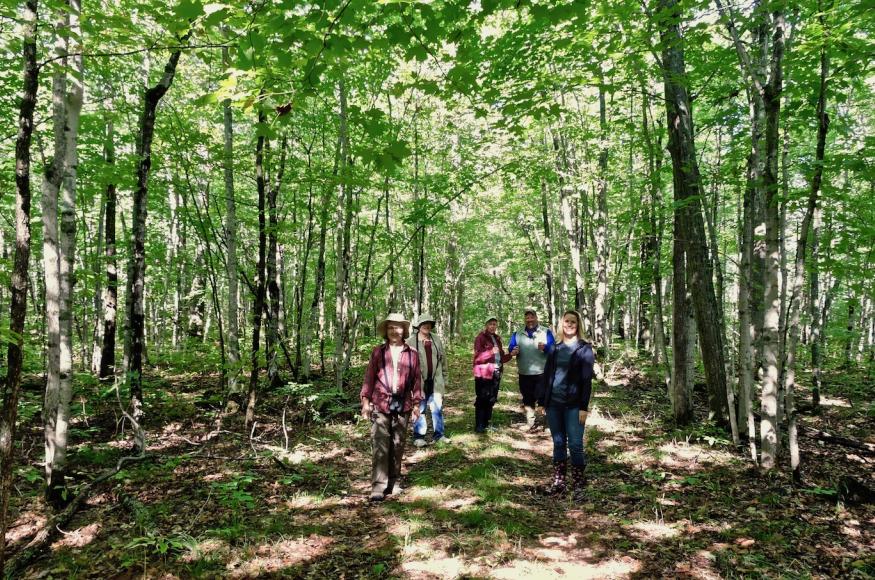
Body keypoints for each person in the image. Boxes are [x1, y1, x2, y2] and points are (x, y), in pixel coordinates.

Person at [360, 313, 422, 502]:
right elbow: (369, 378)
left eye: (398, 327)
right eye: (390, 327)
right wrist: (365, 402)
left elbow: (417, 380)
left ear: (404, 330)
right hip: (380, 403)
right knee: (380, 444)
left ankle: (393, 482)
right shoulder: (378, 352)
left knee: (397, 444)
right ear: (386, 331)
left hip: (403, 404)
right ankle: (378, 486)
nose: (394, 331)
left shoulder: (412, 354)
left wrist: (417, 403)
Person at [538, 309, 595, 498]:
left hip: (574, 405)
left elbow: (587, 380)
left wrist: (584, 407)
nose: (569, 324)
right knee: (558, 443)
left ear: (578, 325)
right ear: (561, 324)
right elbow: (547, 375)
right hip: (554, 403)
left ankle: (579, 484)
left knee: (576, 444)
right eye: (566, 321)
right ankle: (559, 482)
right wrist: (542, 401)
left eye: (573, 322)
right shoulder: (555, 347)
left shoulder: (584, 348)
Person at [407, 313, 451, 447]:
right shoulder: (410, 341)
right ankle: (419, 436)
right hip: (418, 382)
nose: (426, 326)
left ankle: (439, 435)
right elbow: (406, 365)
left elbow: (443, 360)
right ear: (419, 326)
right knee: (419, 409)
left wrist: (445, 378)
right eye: (424, 323)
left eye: (429, 324)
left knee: (437, 408)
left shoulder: (436, 339)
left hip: (436, 380)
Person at [508, 308, 555, 430]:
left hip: (542, 372)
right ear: (525, 319)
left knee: (544, 398)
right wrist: (513, 350)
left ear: (536, 318)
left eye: (532, 317)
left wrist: (545, 347)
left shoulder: (546, 332)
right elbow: (511, 347)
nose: (530, 320)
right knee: (527, 398)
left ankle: (548, 424)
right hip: (524, 372)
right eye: (527, 317)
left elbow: (554, 349)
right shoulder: (517, 333)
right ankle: (530, 423)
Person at [472, 315, 512, 433]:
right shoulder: (480, 338)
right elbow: (477, 358)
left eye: (494, 324)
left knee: (492, 398)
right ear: (486, 325)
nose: (492, 326)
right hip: (483, 373)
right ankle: (479, 425)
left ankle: (486, 423)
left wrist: (511, 354)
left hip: (496, 372)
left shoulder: (497, 338)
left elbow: (501, 358)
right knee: (482, 398)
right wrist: (490, 352)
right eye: (490, 324)